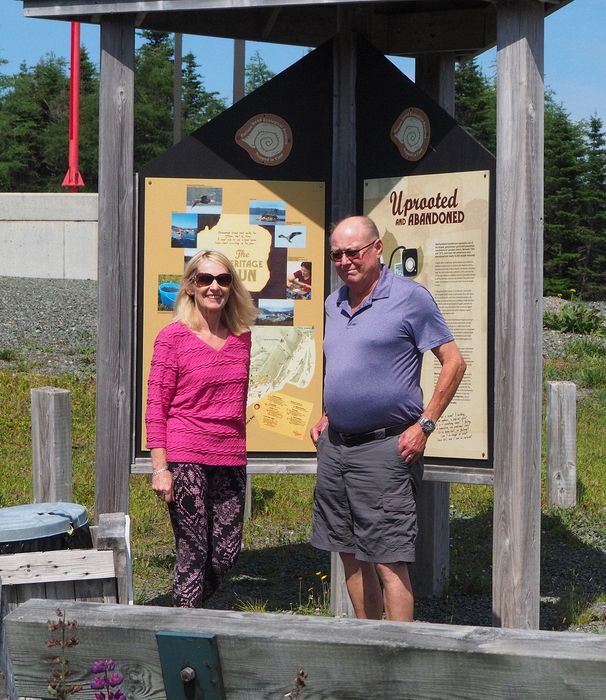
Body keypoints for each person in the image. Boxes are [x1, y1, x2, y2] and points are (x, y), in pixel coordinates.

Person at [310, 215, 466, 622]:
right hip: (336, 447)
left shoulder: (410, 298)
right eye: (336, 254)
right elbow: (344, 365)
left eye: (353, 252)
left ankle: (401, 663)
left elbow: (453, 362)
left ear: (377, 249)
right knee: (348, 553)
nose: (344, 261)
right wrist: (328, 414)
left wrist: (425, 425)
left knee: (388, 559)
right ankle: (368, 650)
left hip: (386, 448)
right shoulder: (334, 301)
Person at [145, 250, 258, 607]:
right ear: (191, 286)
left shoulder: (242, 338)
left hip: (229, 456)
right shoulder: (172, 338)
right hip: (186, 455)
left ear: (232, 287)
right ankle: (184, 633)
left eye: (223, 279)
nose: (214, 287)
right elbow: (156, 405)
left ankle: (180, 612)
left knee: (226, 553)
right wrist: (161, 468)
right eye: (205, 279)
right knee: (193, 549)